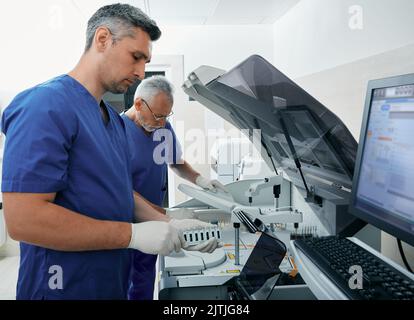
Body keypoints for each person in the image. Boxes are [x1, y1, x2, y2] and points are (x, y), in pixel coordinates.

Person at [1, 4, 219, 300]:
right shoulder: (46, 106)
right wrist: (132, 235)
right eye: (136, 57)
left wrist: (170, 224)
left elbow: (117, 193)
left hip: (108, 282)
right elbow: (24, 220)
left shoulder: (113, 122)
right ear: (103, 39)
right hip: (62, 288)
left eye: (146, 61)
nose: (142, 72)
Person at [122, 75, 227, 300]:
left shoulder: (163, 129)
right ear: (139, 104)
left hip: (156, 220)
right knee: (124, 284)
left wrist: (201, 180)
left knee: (144, 282)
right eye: (158, 116)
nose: (161, 123)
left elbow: (176, 162)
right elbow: (124, 193)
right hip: (128, 223)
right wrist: (168, 217)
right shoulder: (116, 133)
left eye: (166, 116)